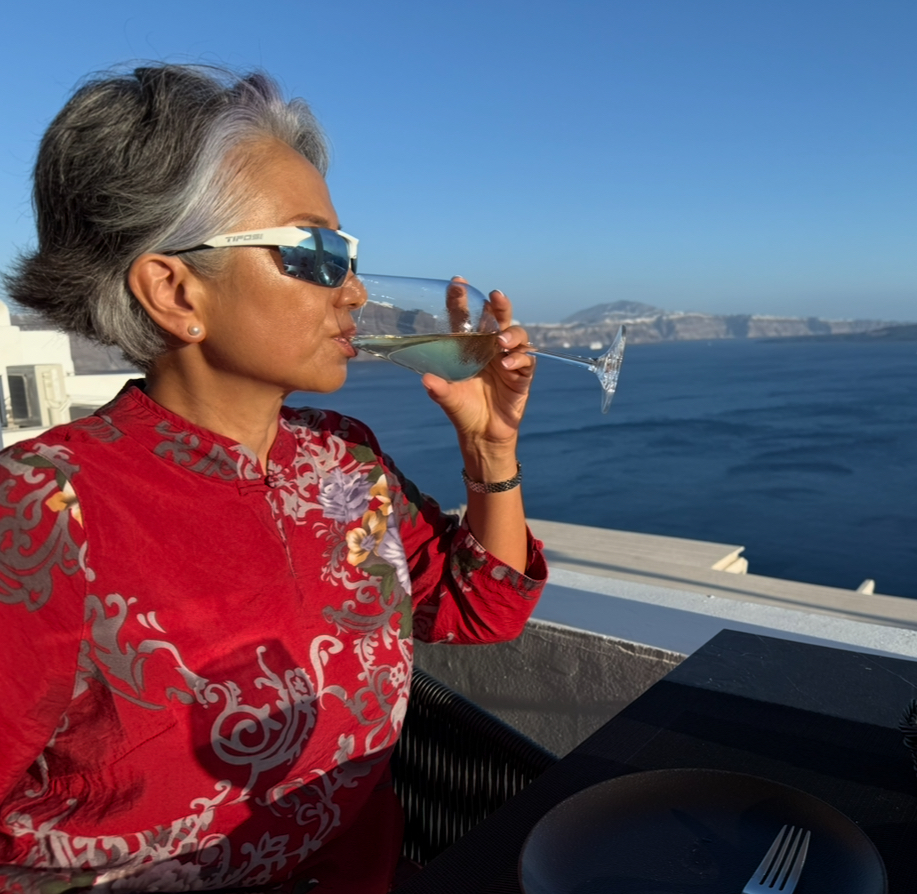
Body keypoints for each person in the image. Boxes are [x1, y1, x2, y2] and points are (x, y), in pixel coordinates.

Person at [0, 64, 546, 893]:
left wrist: (490, 451)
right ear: (175, 290)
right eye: (315, 255)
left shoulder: (343, 461)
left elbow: (483, 608)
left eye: (349, 257)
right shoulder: (42, 513)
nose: (355, 293)